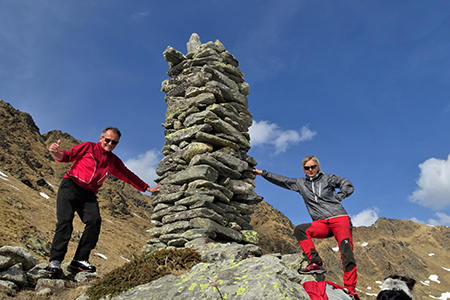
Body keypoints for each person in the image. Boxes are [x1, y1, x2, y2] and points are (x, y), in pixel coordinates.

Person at [46, 126, 161, 277]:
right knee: (65, 222)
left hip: (89, 194)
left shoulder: (113, 161)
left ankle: (79, 260)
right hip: (70, 186)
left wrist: (147, 188)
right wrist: (55, 152)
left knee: (94, 221)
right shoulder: (88, 147)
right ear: (101, 138)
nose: (110, 144)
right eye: (107, 140)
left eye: (114, 142)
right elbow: (67, 156)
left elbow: (128, 175)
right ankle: (55, 261)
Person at [253, 155, 358, 297]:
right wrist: (262, 173)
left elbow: (346, 183)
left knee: (346, 252)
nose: (310, 170)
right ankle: (315, 262)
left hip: (339, 219)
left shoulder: (328, 178)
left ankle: (350, 289)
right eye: (307, 168)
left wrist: (341, 195)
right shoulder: (300, 183)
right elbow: (283, 180)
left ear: (318, 167)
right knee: (300, 230)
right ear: (303, 169)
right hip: (321, 222)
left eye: (313, 167)